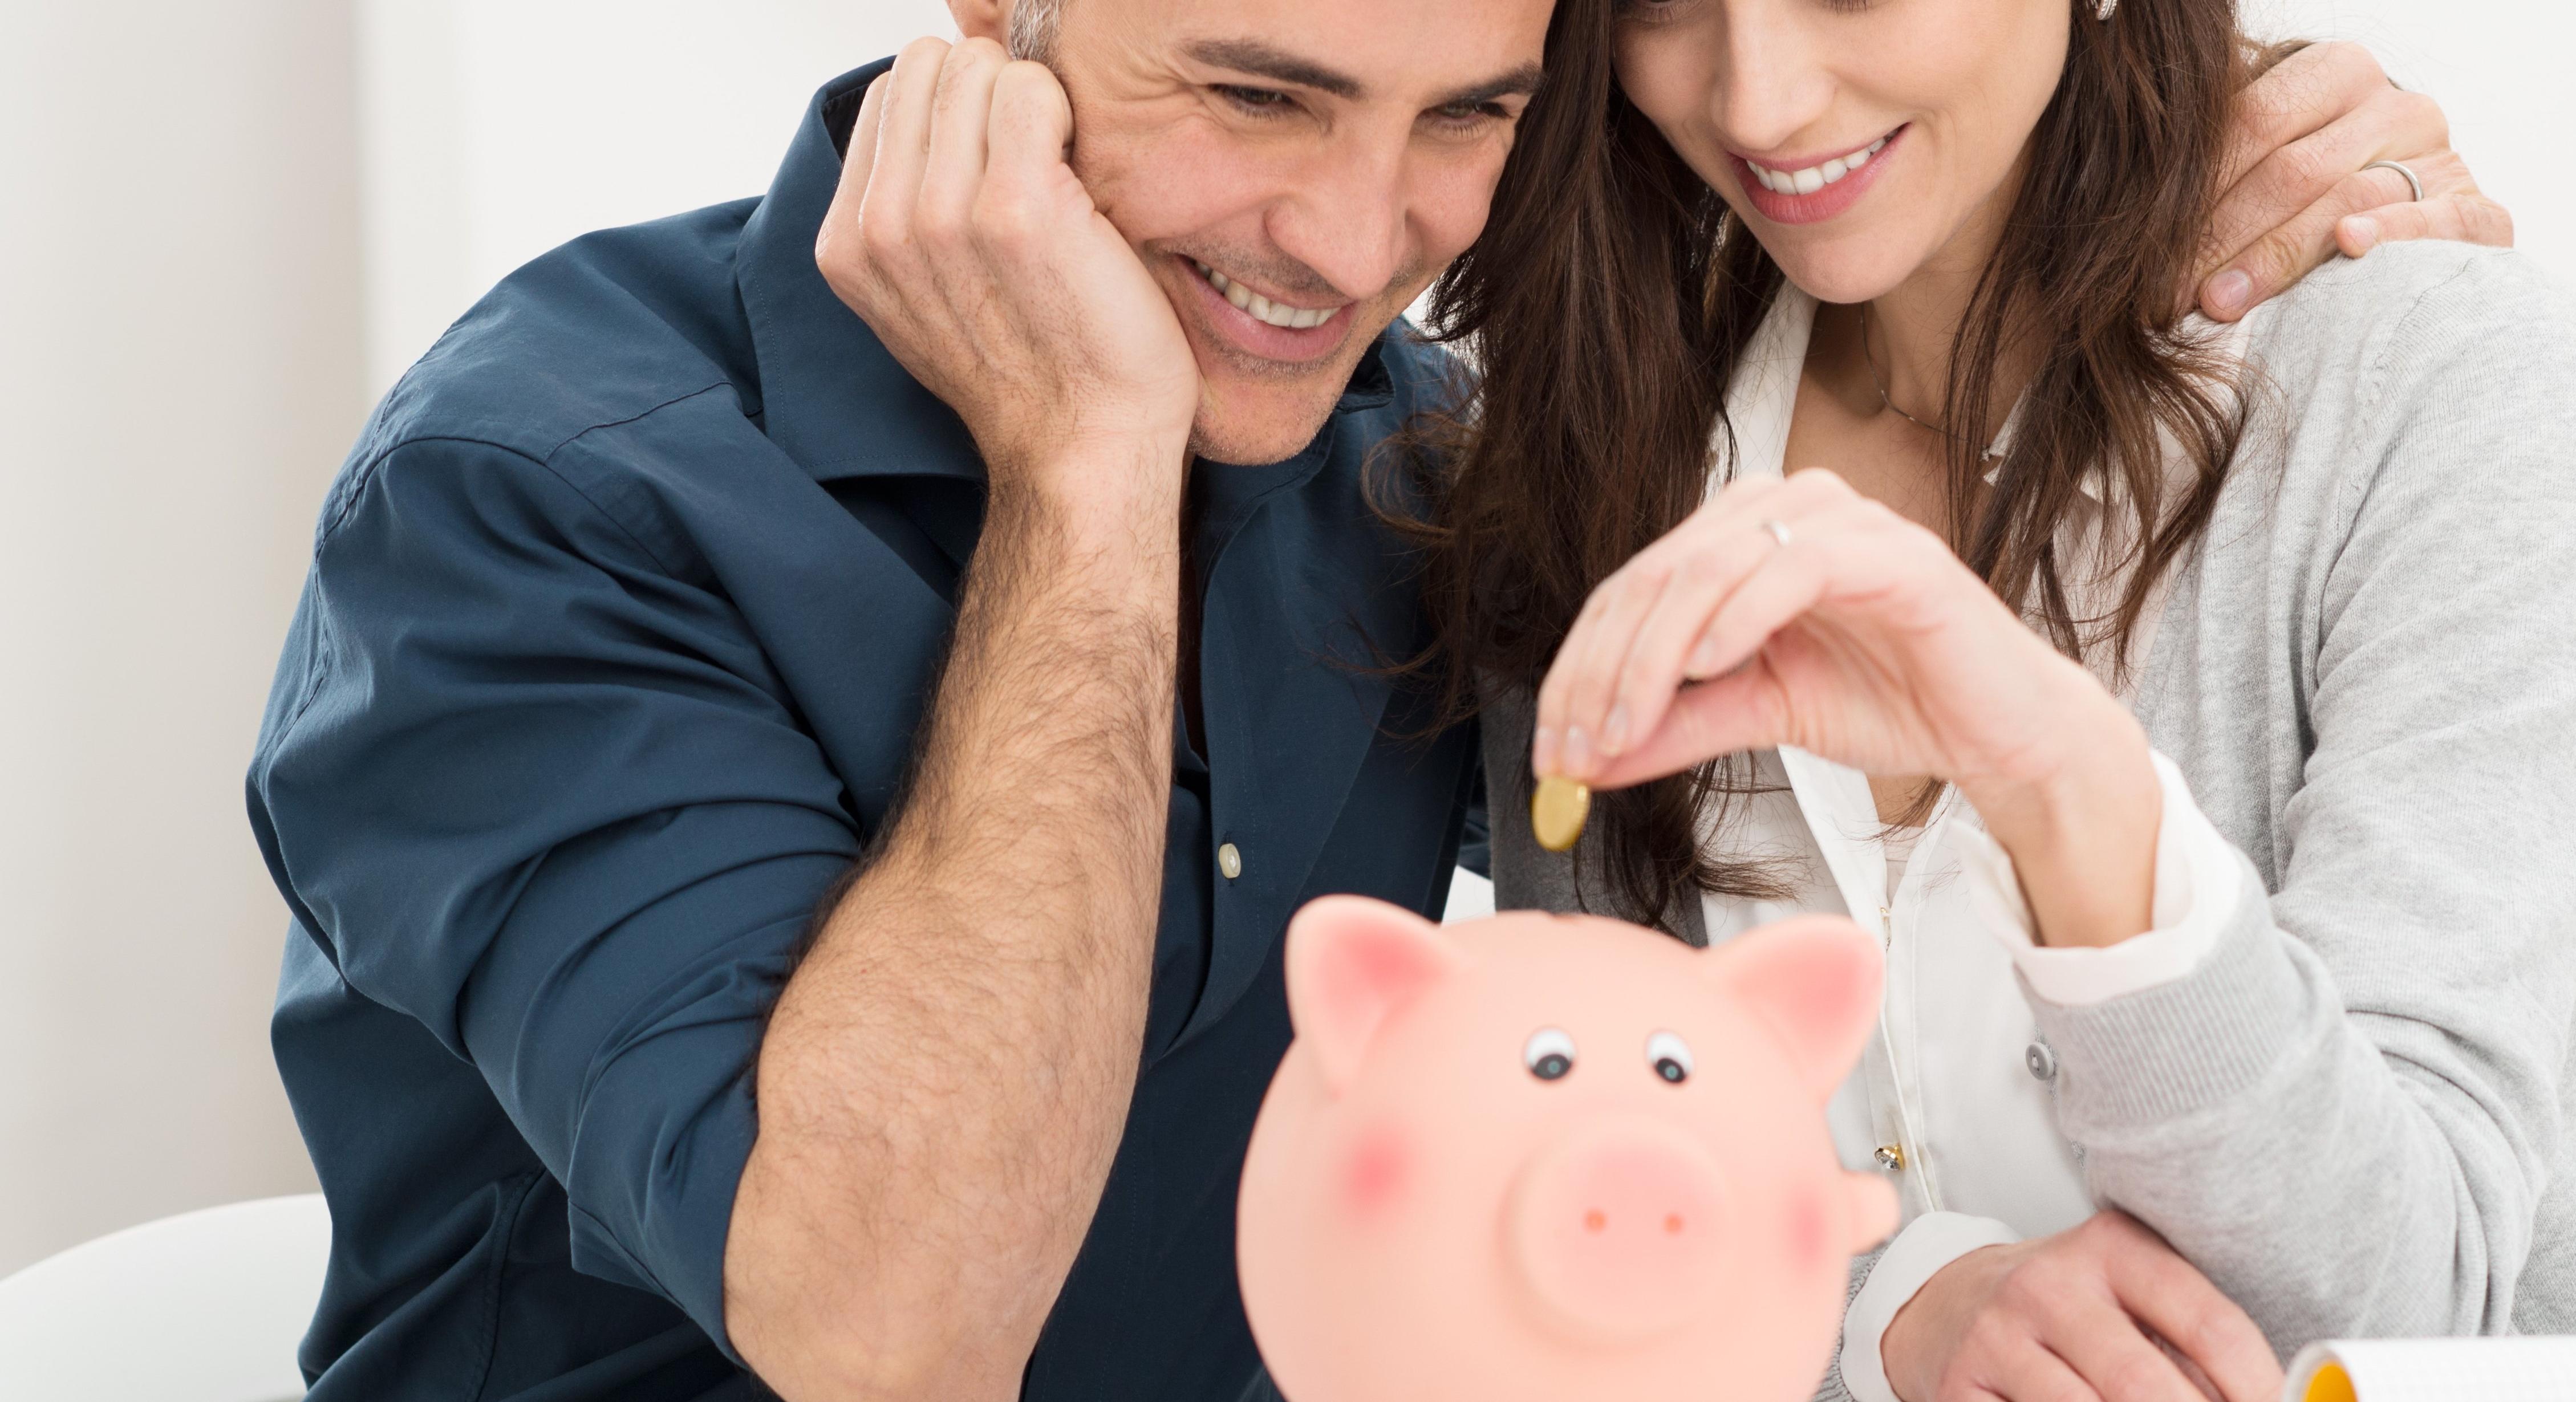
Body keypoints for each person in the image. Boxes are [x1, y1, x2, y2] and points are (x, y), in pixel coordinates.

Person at [244, 0, 2505, 1397]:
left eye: (1467, 111)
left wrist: (2221, 111)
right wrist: (1087, 467)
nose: (1348, 239)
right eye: (1252, 90)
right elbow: (886, 1334)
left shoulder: (1435, 478)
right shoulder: (535, 497)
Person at [1402, 0, 2570, 1398]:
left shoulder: (2436, 389)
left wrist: (2074, 800)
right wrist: (1885, 1302)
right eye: (1661, 5)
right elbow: (1593, 1171)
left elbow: (2407, 1303)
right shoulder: (1589, 440)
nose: (1760, 102)